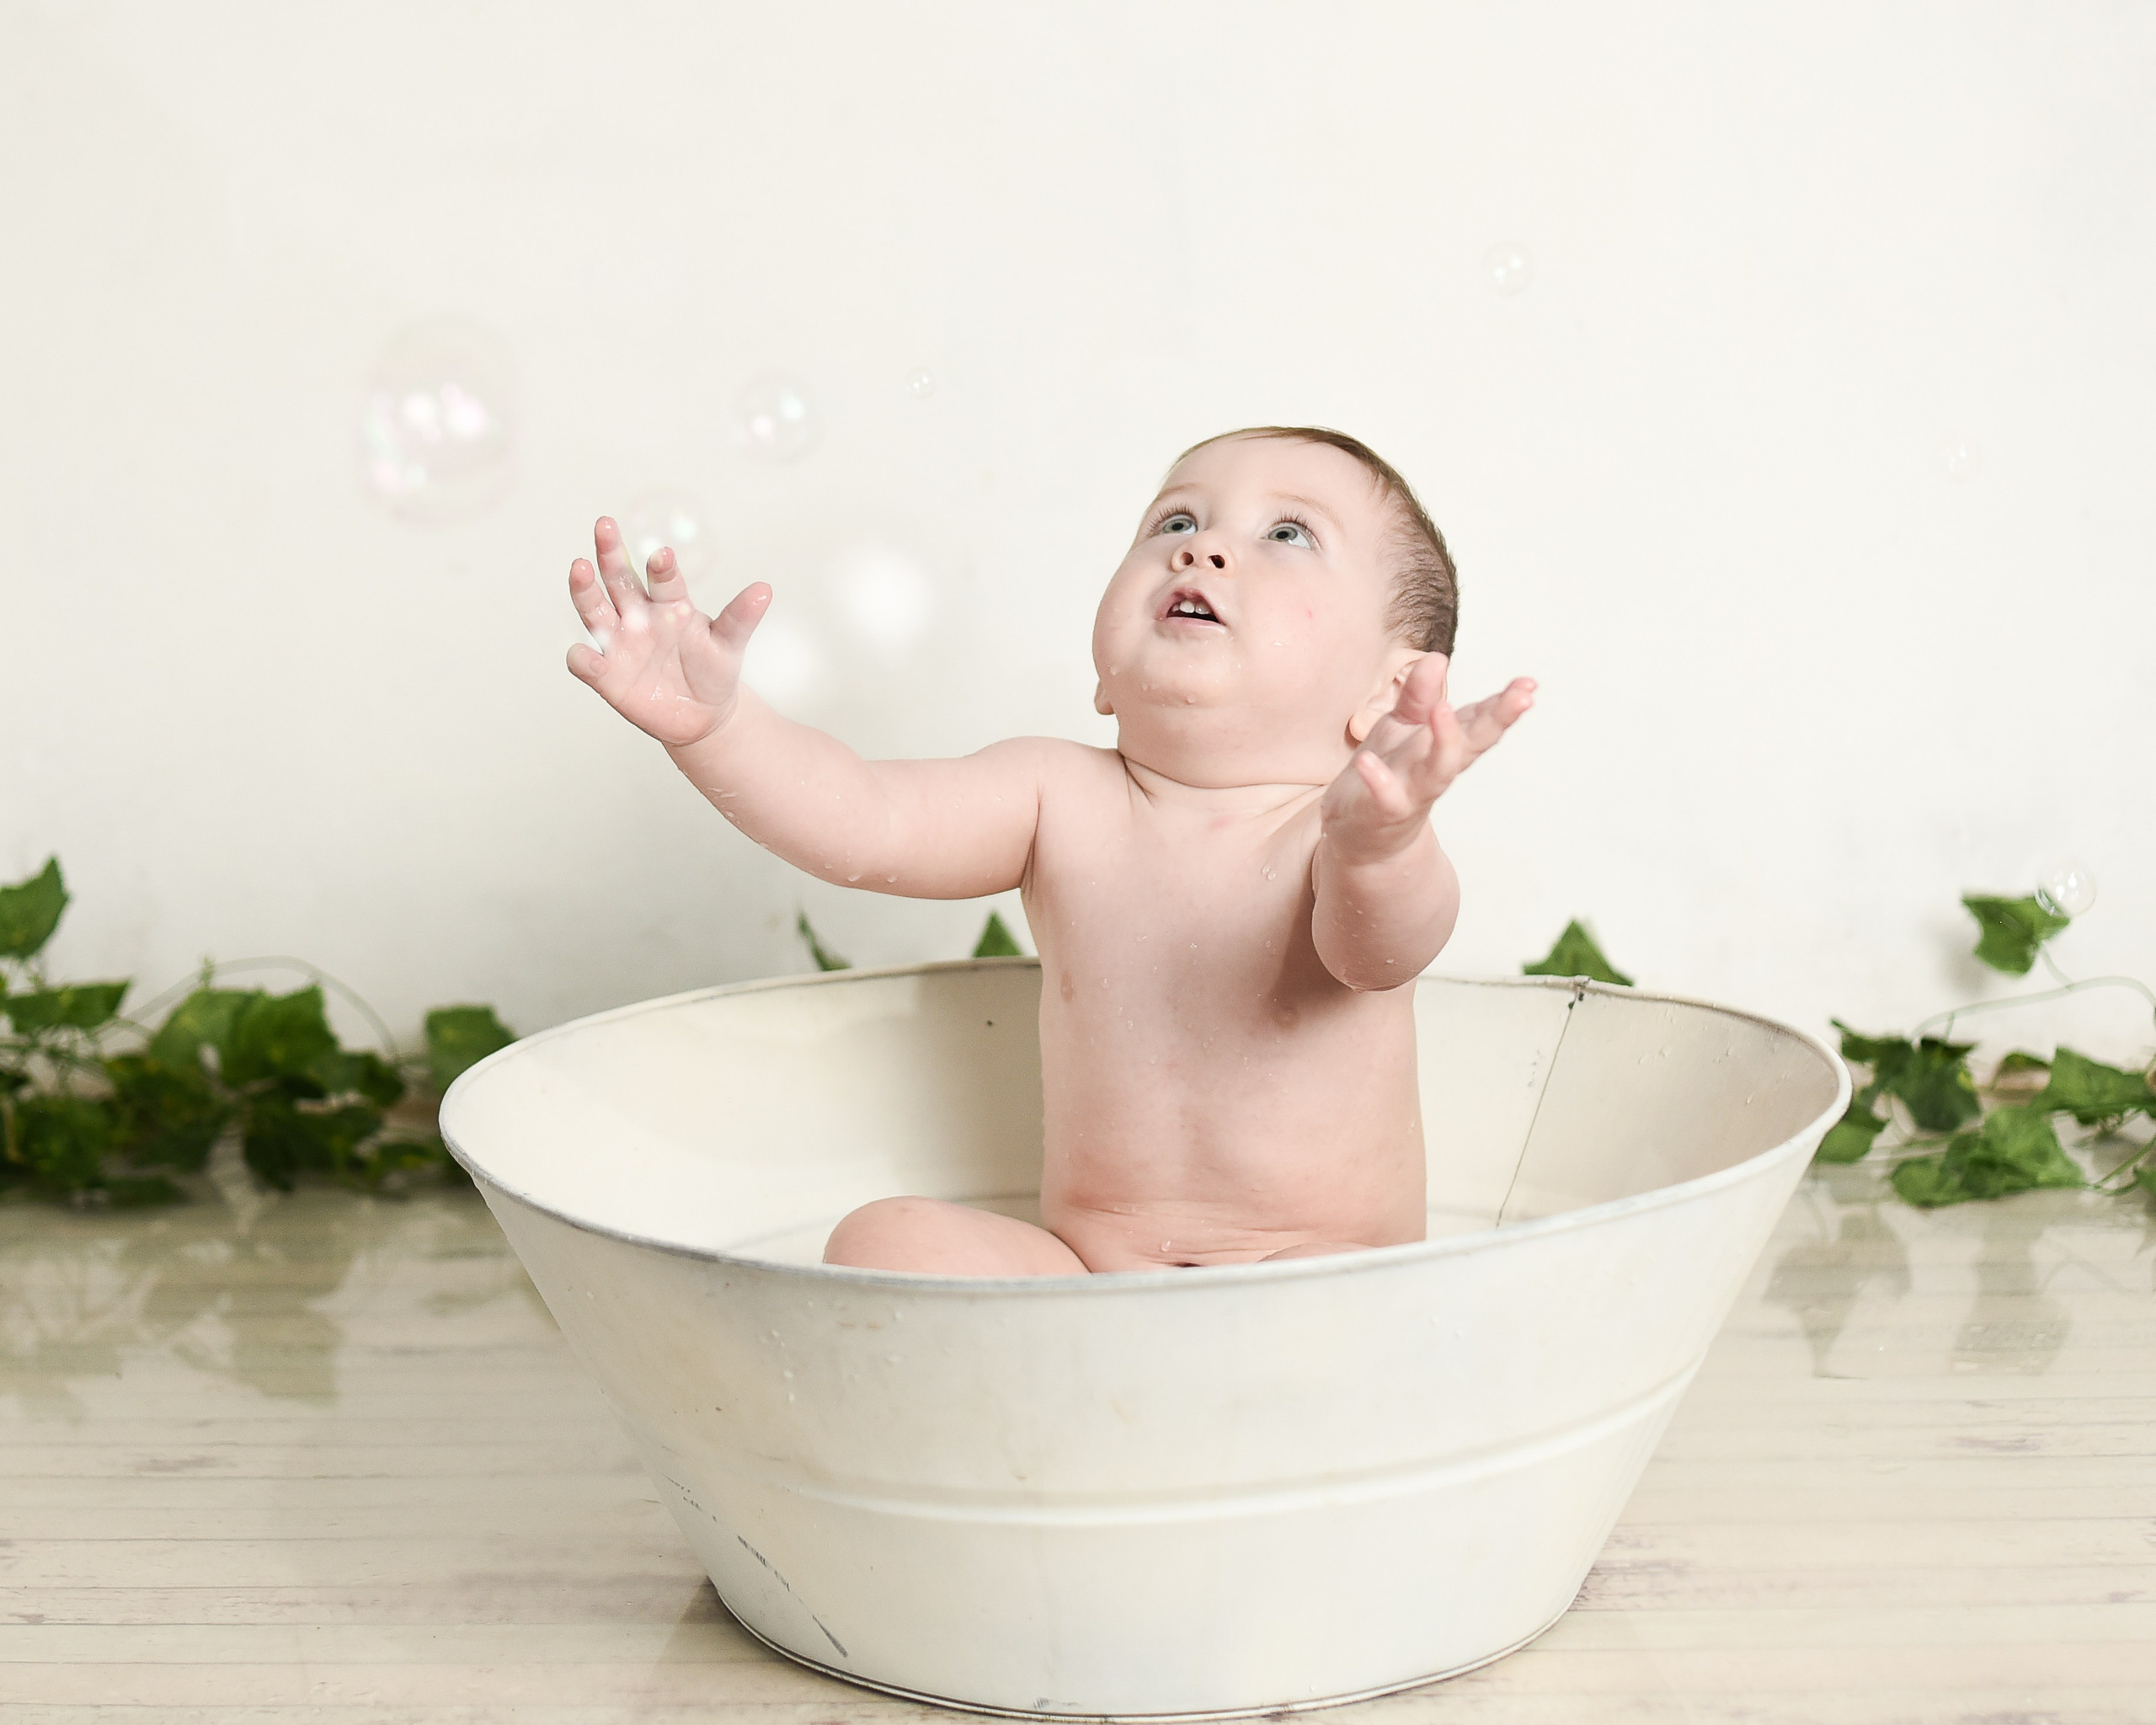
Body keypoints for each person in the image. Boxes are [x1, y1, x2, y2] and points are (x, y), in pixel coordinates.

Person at [564, 426, 1534, 1274]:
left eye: (1287, 533)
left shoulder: (1341, 835)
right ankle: (1082, 1411)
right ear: (1104, 675)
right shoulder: (1054, 796)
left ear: (1389, 688)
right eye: (1174, 523)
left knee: (1336, 1304)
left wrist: (1382, 838)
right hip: (1089, 1284)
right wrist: (716, 728)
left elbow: (1386, 944)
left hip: (1319, 1272)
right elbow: (867, 819)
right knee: (885, 1242)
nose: (1203, 550)